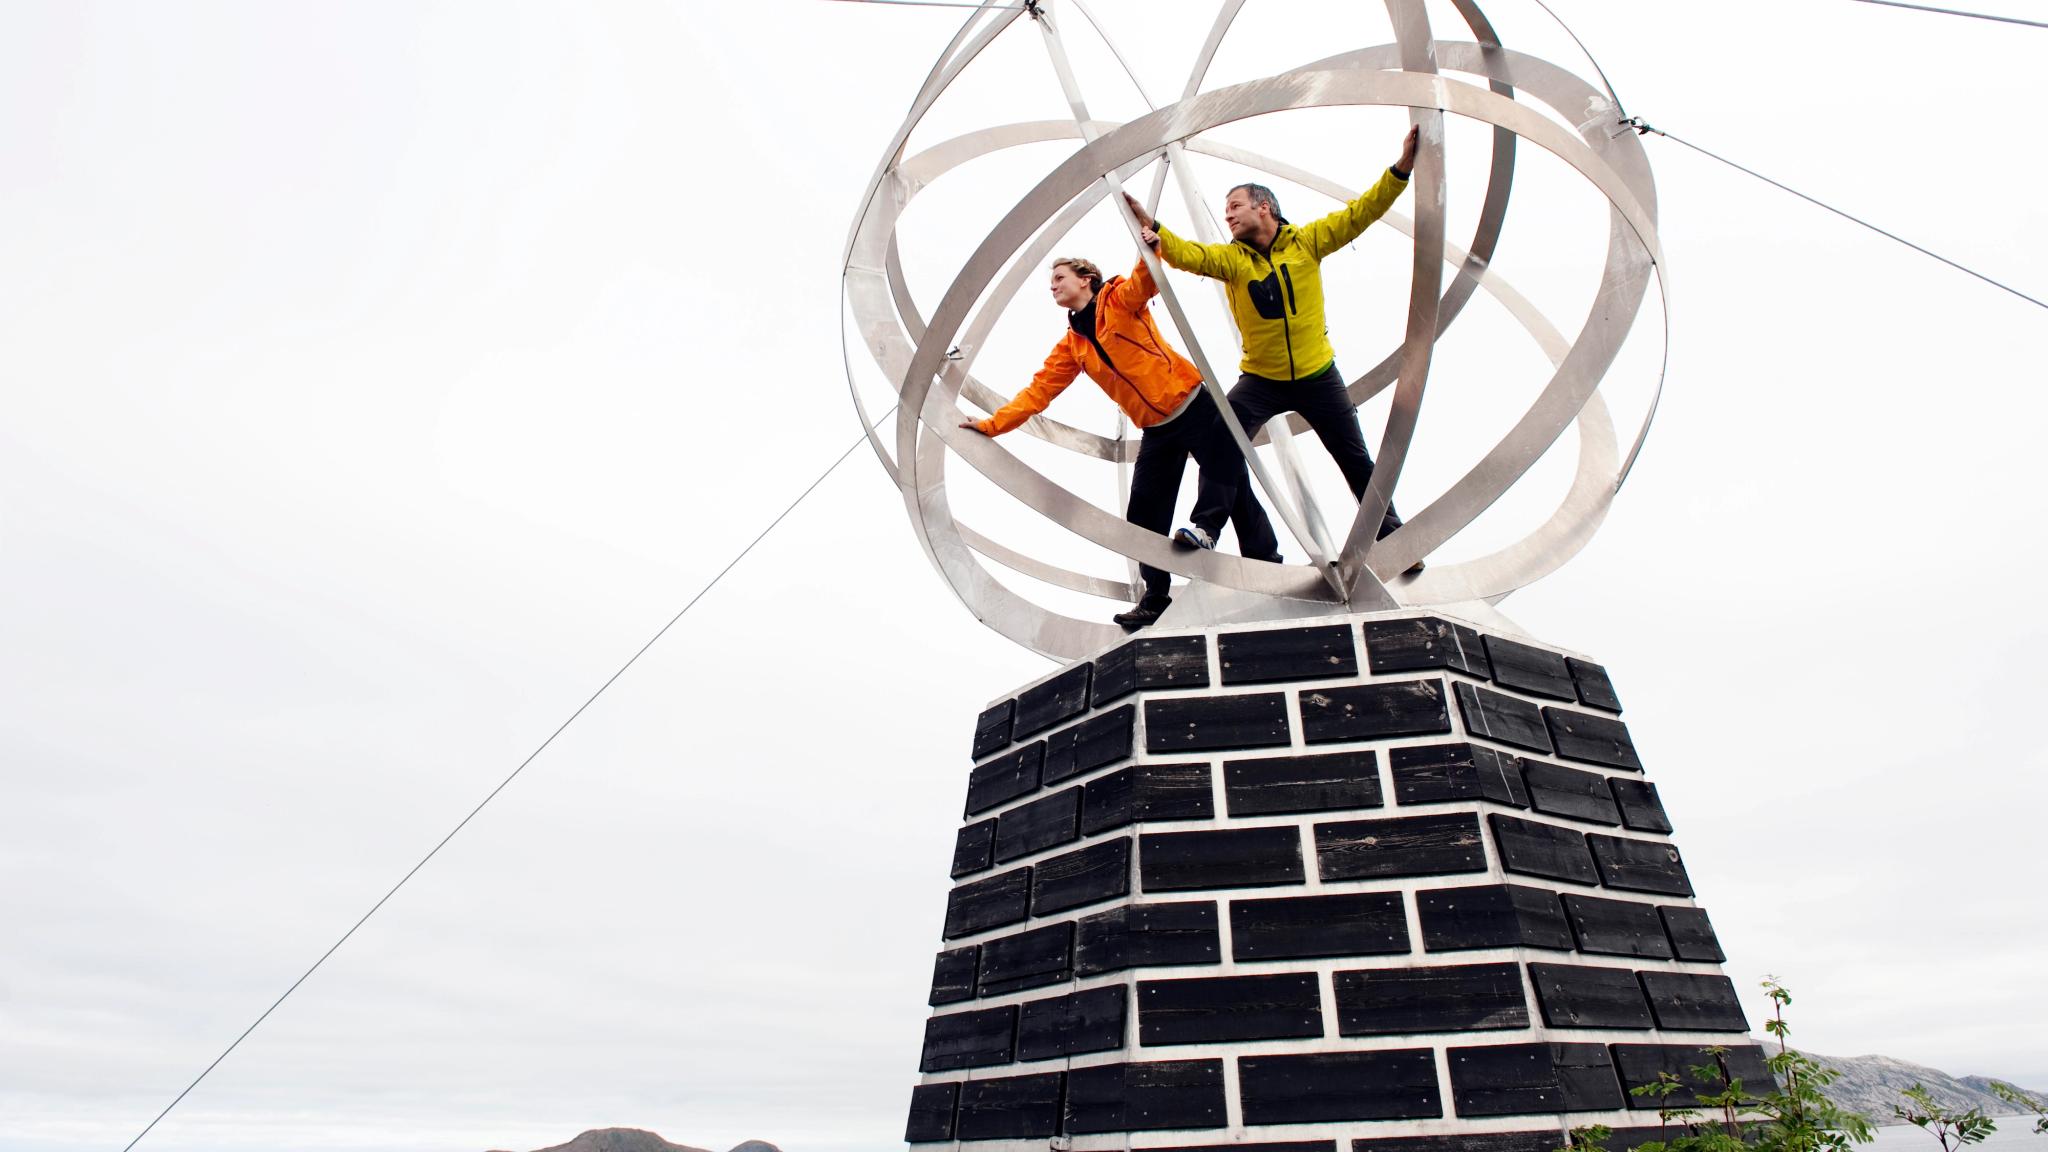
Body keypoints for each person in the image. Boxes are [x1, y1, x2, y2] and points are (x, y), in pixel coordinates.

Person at [1126, 126, 1424, 570]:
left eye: (1235, 207)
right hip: (1261, 379)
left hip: (1318, 375)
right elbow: (1194, 256)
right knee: (1223, 440)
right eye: (1225, 210)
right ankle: (1207, 526)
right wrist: (1158, 233)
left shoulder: (1308, 241)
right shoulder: (1232, 260)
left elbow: (1361, 213)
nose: (1227, 216)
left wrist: (1400, 169)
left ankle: (1391, 537)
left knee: (1355, 457)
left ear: (1264, 207)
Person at [961, 255, 1280, 632]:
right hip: (1157, 429)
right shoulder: (1073, 345)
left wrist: (1149, 237)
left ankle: (1266, 570)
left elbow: (1146, 277)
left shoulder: (1119, 300)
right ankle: (1156, 597)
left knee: (1233, 488)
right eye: (1052, 281)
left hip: (1193, 404)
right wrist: (993, 425)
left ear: (1086, 279)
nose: (1053, 285)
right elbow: (1038, 393)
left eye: (1060, 277)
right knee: (1143, 516)